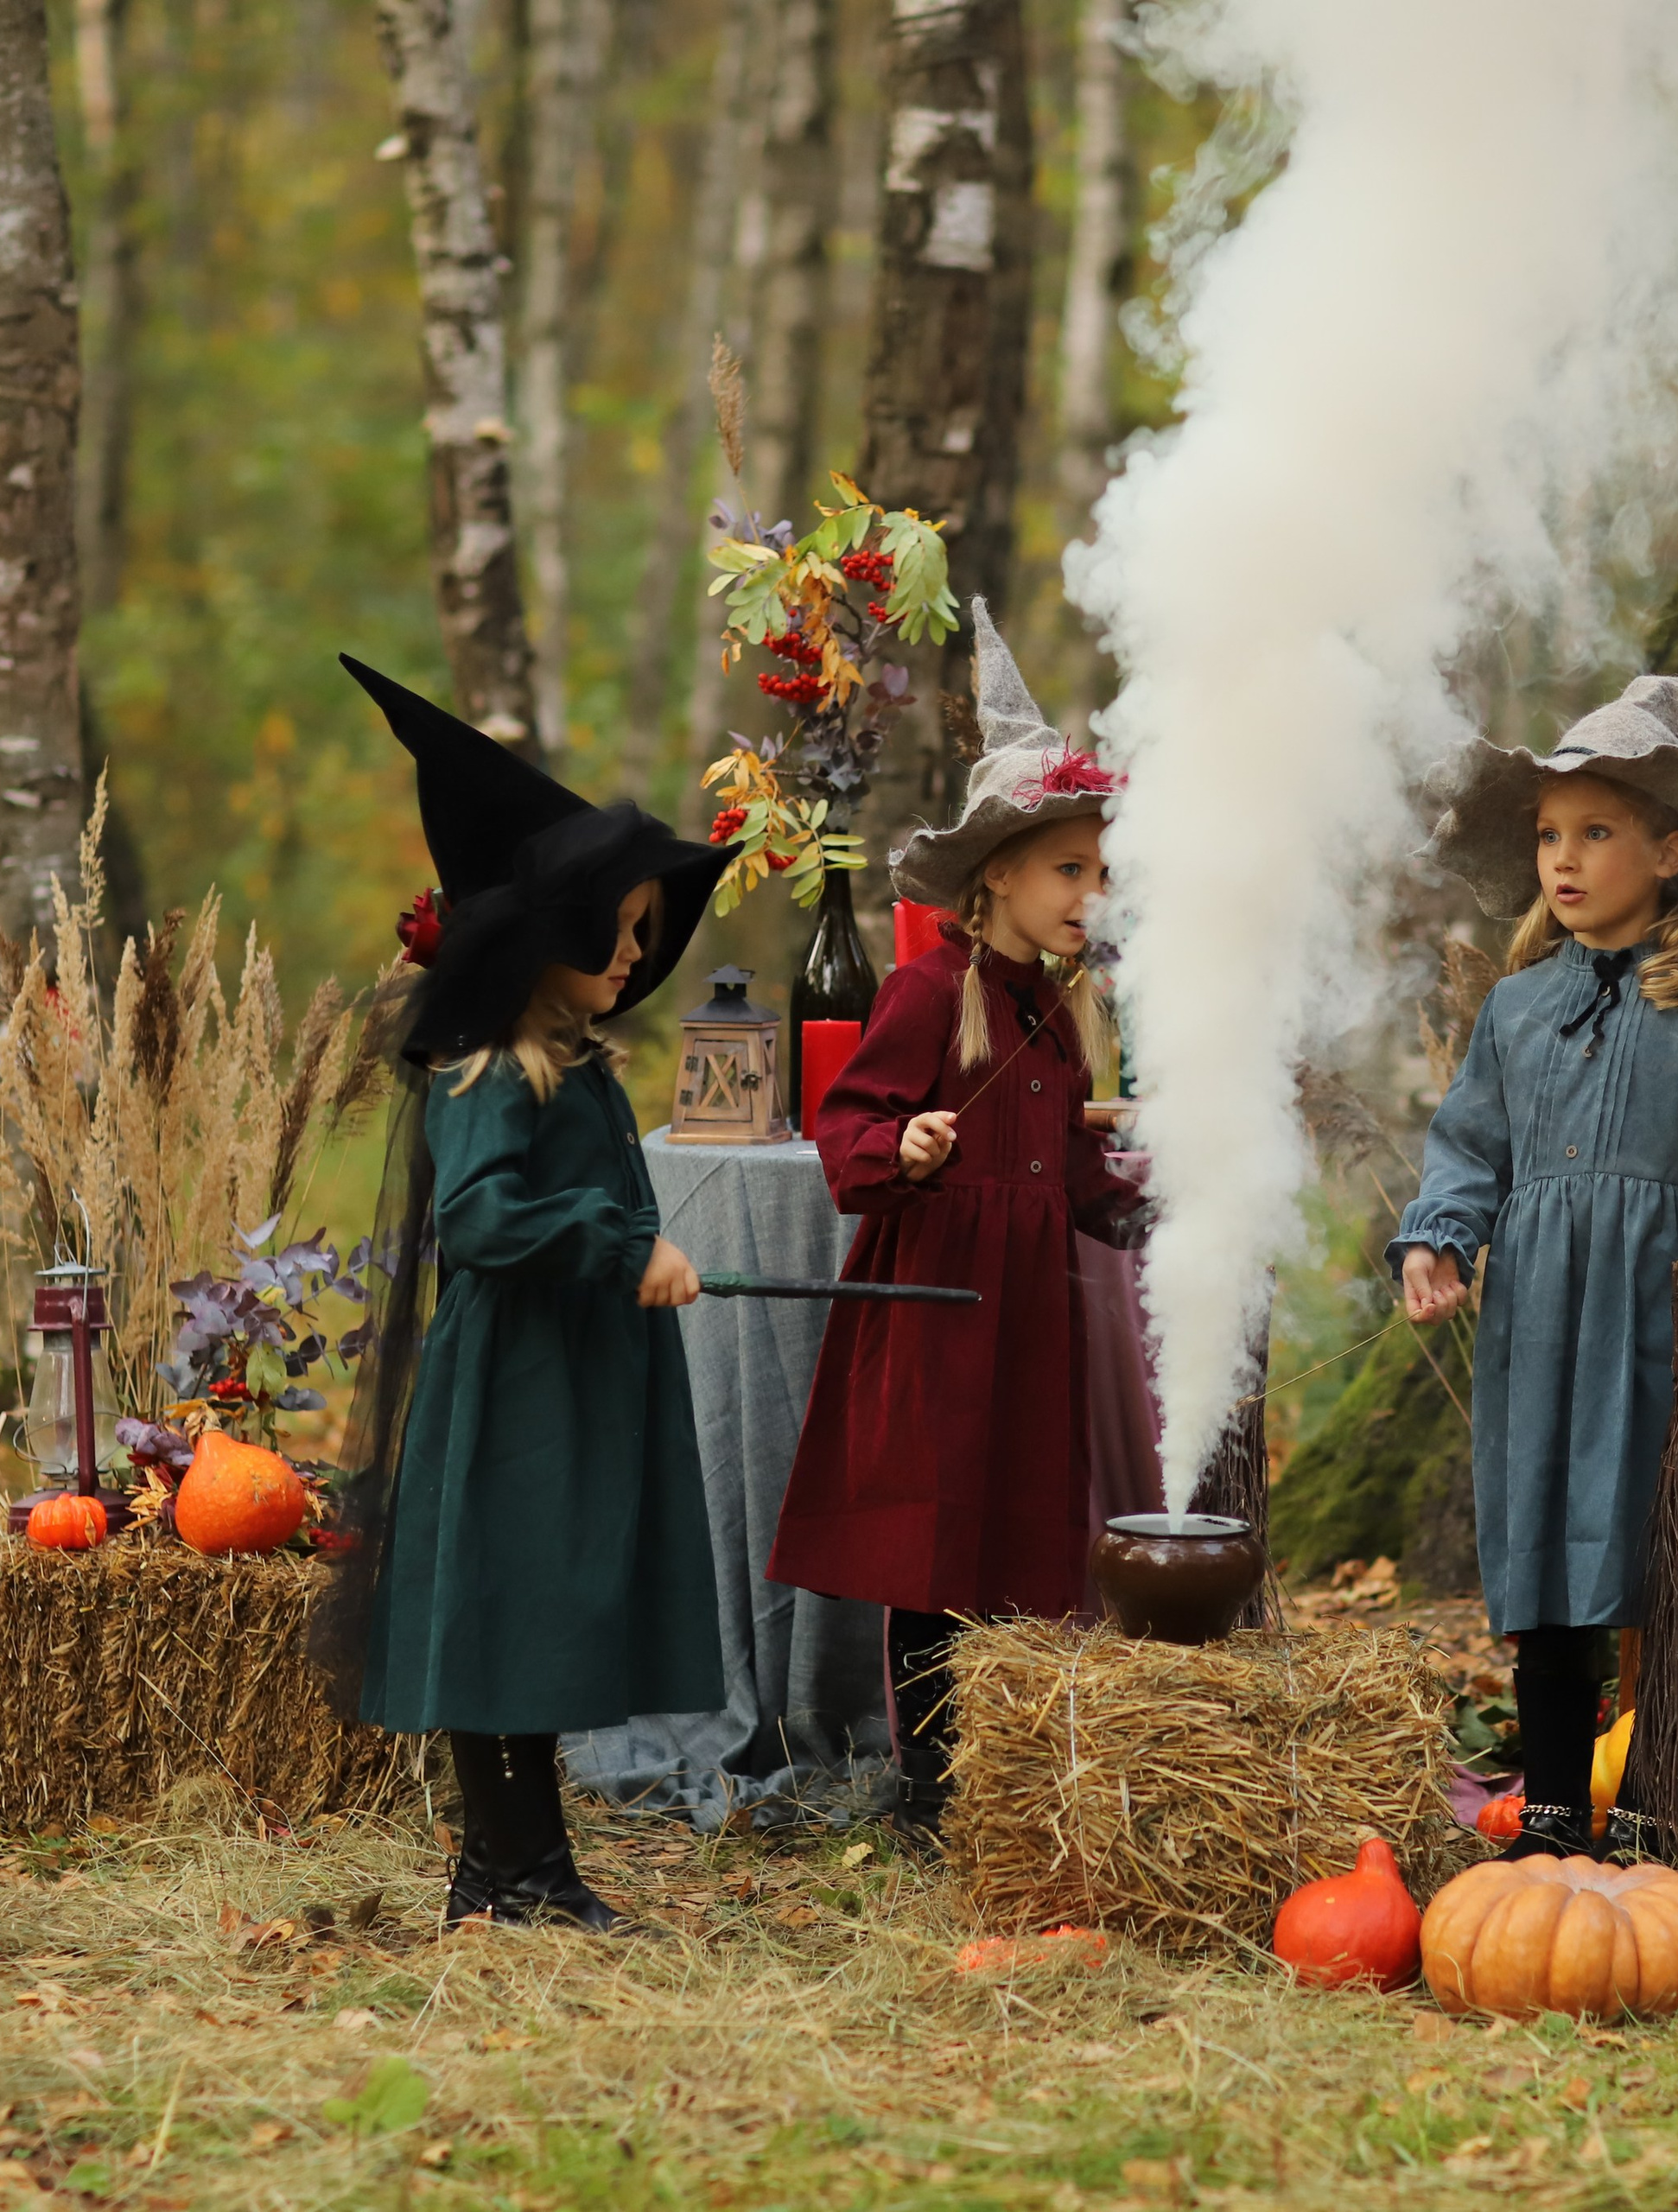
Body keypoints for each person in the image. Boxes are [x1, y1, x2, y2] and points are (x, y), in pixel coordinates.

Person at [316, 656, 730, 1931]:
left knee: (543, 1609)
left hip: (573, 1375)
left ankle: (507, 1870)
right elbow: (484, 1216)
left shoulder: (577, 1064)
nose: (633, 949)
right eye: (612, 927)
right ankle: (516, 1873)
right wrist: (619, 1246)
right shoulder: (493, 1067)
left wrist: (631, 1246)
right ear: (539, 936)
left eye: (642, 934)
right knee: (504, 1611)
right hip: (514, 1385)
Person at [1396, 677, 1678, 1859]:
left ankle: (1644, 1811)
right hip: (1538, 1309)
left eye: (1596, 833)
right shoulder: (1521, 1007)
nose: (1564, 859)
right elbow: (1472, 1141)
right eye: (1548, 835)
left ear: (1671, 850)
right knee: (1546, 1548)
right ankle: (1546, 1816)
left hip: (1658, 1302)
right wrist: (1440, 1236)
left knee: (1660, 1548)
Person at [766, 601, 1145, 1847]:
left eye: (1100, 871)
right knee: (937, 1545)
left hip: (1030, 1312)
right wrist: (906, 1146)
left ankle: (1003, 1767)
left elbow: (1087, 1188)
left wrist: (1147, 1185)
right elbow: (846, 1133)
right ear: (1001, 878)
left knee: (1025, 1531)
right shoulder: (933, 993)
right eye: (1069, 869)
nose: (1091, 893)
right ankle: (924, 1777)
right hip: (936, 1305)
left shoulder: (1075, 1009)